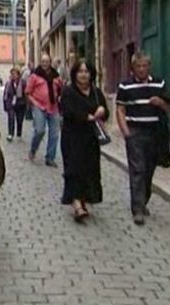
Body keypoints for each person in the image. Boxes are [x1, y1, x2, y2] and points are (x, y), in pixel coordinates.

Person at [116, 52, 170, 225]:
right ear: (133, 68)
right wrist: (126, 132)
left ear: (149, 66)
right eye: (138, 66)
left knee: (149, 170)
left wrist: (160, 103)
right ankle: (137, 209)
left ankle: (143, 200)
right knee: (138, 170)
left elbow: (168, 107)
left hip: (155, 133)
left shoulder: (159, 83)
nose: (141, 69)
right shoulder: (125, 86)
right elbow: (120, 109)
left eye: (144, 66)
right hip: (135, 132)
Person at [60, 59, 108, 222]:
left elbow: (104, 110)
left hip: (91, 138)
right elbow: (66, 110)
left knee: (89, 169)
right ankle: (76, 205)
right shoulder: (68, 91)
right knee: (74, 169)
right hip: (72, 137)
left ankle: (84, 199)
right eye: (80, 71)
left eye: (86, 71)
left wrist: (102, 110)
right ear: (75, 74)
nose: (83, 75)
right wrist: (85, 116)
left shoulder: (96, 91)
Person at [26, 53, 63, 167]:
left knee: (54, 134)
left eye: (47, 61)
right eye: (43, 61)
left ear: (50, 62)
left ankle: (50, 158)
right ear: (40, 62)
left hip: (53, 107)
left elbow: (61, 90)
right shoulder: (35, 76)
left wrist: (60, 97)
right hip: (39, 106)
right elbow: (27, 92)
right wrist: (34, 103)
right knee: (40, 130)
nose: (45, 64)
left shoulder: (56, 76)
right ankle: (33, 149)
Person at [3, 68, 27, 142]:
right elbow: (5, 95)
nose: (13, 75)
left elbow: (26, 94)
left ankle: (19, 134)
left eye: (14, 74)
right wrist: (5, 105)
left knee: (19, 120)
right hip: (11, 104)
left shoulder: (23, 83)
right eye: (12, 74)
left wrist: (26, 103)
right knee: (11, 118)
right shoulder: (8, 83)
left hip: (20, 104)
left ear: (18, 75)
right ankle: (10, 134)